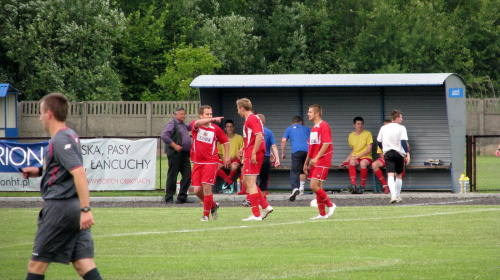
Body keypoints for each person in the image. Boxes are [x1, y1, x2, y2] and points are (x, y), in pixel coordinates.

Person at [20, 93, 103, 280]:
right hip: (72, 208)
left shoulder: (60, 140)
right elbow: (62, 168)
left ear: (49, 114)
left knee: (37, 264)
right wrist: (39, 171)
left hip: (61, 207)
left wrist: (86, 209)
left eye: (41, 113)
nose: (39, 117)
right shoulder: (69, 134)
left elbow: (79, 173)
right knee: (83, 263)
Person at [190, 105, 230, 221]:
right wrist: (211, 119)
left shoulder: (215, 129)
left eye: (211, 114)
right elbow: (197, 123)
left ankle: (205, 215)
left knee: (207, 188)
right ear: (201, 115)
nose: (210, 116)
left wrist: (226, 156)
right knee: (197, 191)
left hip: (211, 162)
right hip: (197, 162)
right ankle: (213, 205)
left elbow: (225, 142)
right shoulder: (196, 125)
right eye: (207, 114)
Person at [236, 98, 274, 221]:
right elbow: (252, 137)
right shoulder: (252, 119)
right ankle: (265, 206)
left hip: (254, 152)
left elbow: (259, 136)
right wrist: (243, 148)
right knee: (246, 180)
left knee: (250, 183)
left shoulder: (251, 118)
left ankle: (256, 214)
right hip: (250, 151)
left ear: (242, 108)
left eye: (238, 109)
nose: (238, 112)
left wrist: (252, 153)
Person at [303, 104, 336, 219]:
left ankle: (330, 205)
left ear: (317, 114)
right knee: (319, 187)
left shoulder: (324, 126)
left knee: (313, 186)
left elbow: (327, 143)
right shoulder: (313, 129)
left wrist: (316, 157)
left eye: (310, 112)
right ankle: (322, 214)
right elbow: (311, 148)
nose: (308, 114)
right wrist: (306, 162)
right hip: (314, 161)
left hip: (322, 160)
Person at [377, 109, 410, 203]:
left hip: (388, 153)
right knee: (399, 174)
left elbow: (379, 141)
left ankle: (393, 195)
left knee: (390, 174)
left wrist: (383, 148)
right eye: (401, 117)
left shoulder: (384, 128)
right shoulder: (401, 128)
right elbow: (403, 142)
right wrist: (407, 154)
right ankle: (398, 195)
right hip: (399, 153)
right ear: (397, 118)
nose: (402, 119)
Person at [161, 106, 192, 204]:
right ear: (176, 115)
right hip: (175, 154)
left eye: (184, 114)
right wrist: (174, 146)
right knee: (172, 175)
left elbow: (191, 127)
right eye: (181, 114)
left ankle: (182, 197)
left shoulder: (182, 124)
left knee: (187, 175)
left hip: (184, 154)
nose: (183, 116)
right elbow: (164, 135)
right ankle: (169, 198)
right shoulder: (172, 124)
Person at [281, 116, 310, 201]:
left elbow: (283, 141)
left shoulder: (289, 129)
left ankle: (295, 188)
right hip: (307, 152)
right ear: (301, 122)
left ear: (292, 123)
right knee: (303, 169)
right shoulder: (307, 129)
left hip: (296, 152)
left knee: (294, 170)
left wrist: (283, 153)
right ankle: (301, 189)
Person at [342, 116, 373, 194]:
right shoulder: (351, 136)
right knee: (351, 163)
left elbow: (369, 149)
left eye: (361, 124)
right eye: (358, 124)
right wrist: (347, 159)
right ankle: (354, 185)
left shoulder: (367, 134)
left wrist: (356, 157)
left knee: (363, 163)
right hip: (356, 157)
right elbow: (354, 150)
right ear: (354, 125)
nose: (360, 126)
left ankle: (362, 186)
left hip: (366, 157)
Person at [216, 119, 244, 192]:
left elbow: (242, 151)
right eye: (227, 127)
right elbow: (218, 153)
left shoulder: (239, 138)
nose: (229, 128)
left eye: (231, 126)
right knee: (215, 167)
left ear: (234, 128)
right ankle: (229, 181)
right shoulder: (221, 138)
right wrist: (224, 159)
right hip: (224, 159)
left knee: (234, 167)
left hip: (235, 159)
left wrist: (230, 160)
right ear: (225, 128)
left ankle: (227, 182)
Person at [257, 114, 281, 196]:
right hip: (266, 158)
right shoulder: (269, 132)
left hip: (256, 158)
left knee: (253, 181)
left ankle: (254, 200)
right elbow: (274, 146)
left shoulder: (255, 132)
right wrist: (277, 159)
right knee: (263, 182)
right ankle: (263, 203)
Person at [372, 120, 391, 194]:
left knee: (400, 166)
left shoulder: (396, 135)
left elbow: (407, 148)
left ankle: (395, 188)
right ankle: (385, 185)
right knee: (374, 165)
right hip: (385, 158)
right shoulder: (381, 137)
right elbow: (380, 153)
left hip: (395, 158)